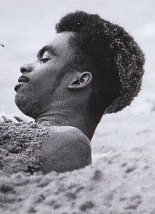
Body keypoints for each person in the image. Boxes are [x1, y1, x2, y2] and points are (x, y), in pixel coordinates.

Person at [13, 11, 145, 173]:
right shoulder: (32, 136)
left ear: (79, 81)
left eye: (45, 59)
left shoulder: (71, 142)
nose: (25, 66)